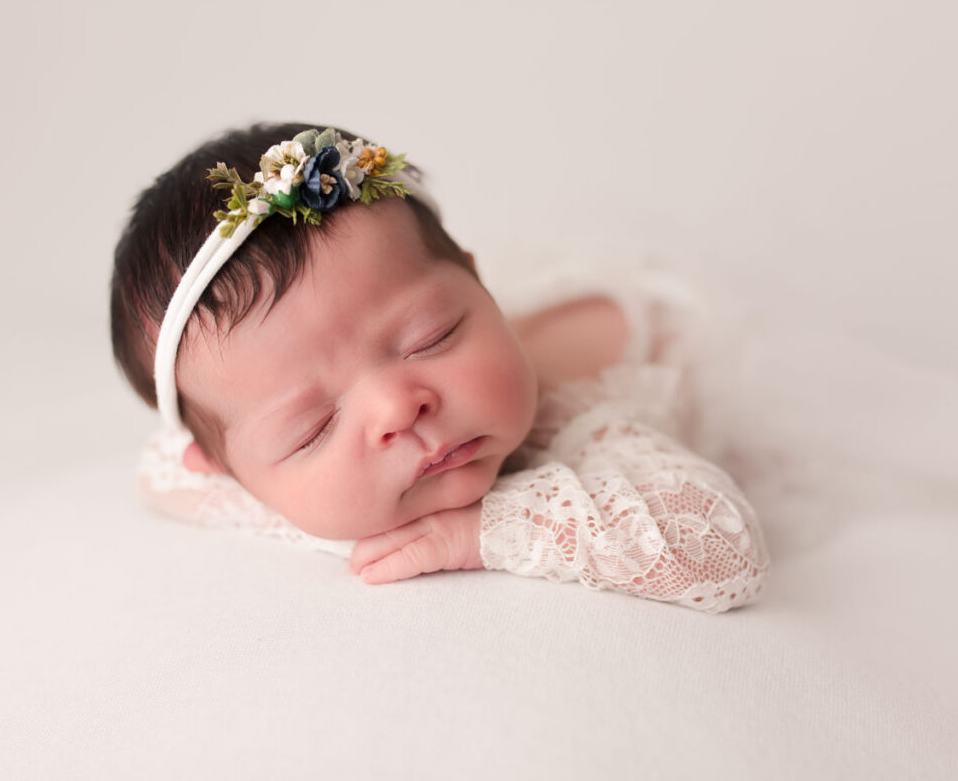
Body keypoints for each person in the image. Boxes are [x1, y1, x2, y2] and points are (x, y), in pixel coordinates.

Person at [111, 121, 770, 613]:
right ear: (227, 470)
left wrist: (478, 532)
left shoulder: (580, 418)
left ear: (481, 289)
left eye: (433, 336)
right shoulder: (226, 456)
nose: (399, 406)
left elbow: (720, 544)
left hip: (653, 334)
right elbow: (160, 470)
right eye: (312, 427)